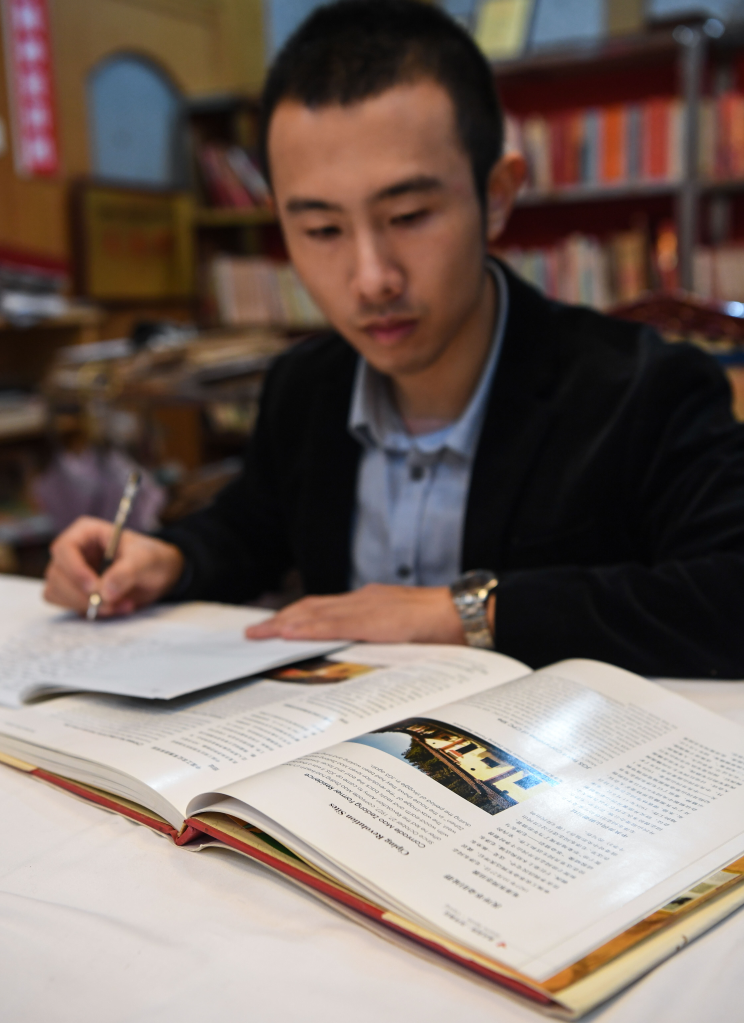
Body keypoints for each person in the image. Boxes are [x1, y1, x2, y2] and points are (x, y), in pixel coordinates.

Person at [45, 0, 744, 678]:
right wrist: (168, 559)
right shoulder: (304, 386)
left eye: (408, 215)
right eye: (322, 230)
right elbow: (250, 529)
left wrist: (465, 613)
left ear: (498, 195)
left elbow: (727, 592)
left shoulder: (644, 388)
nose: (371, 279)